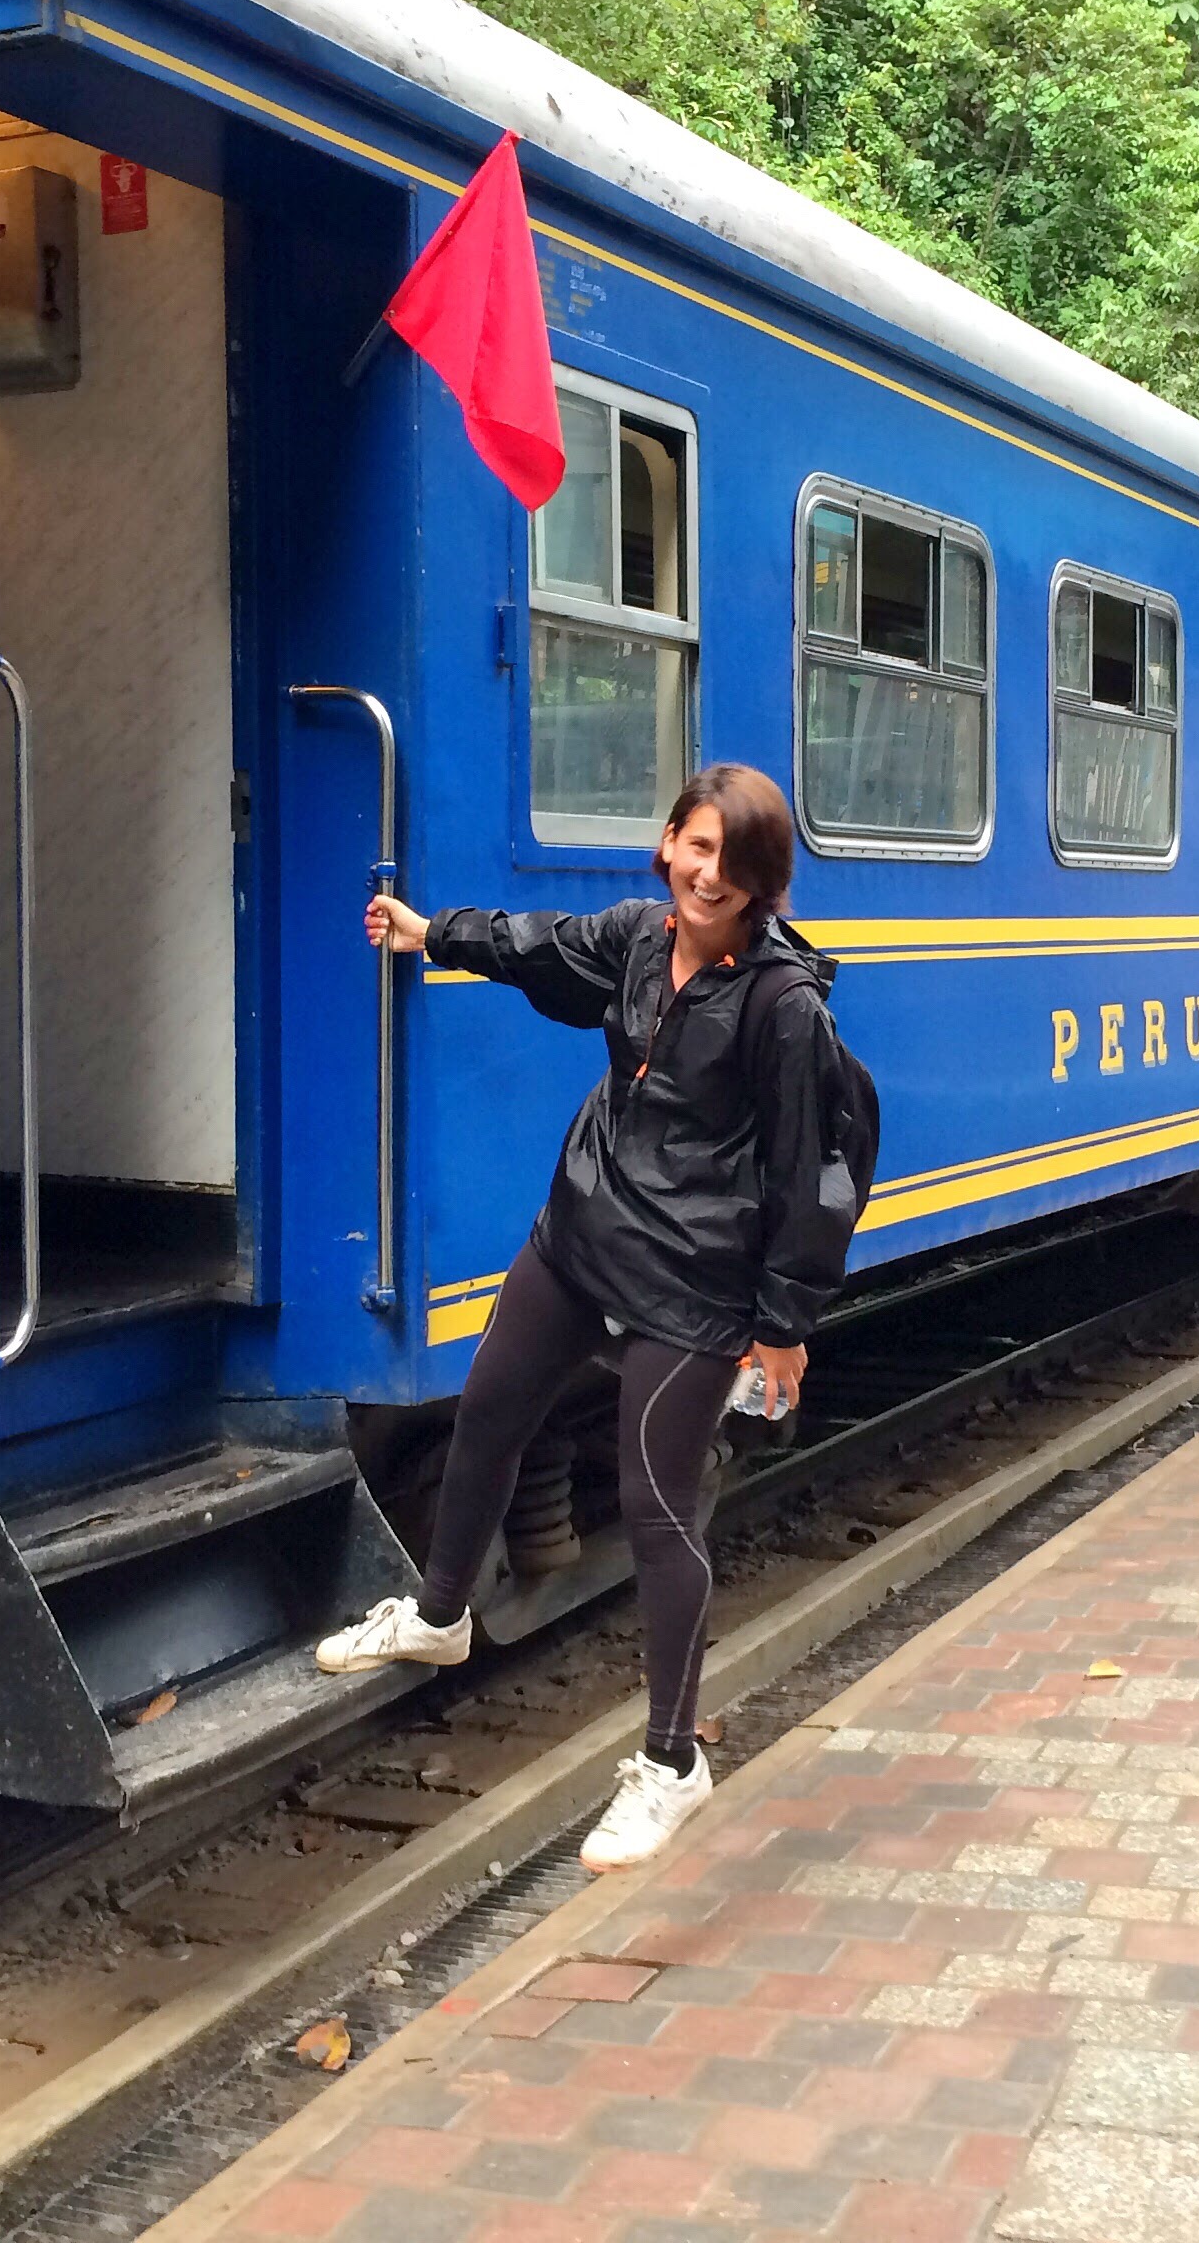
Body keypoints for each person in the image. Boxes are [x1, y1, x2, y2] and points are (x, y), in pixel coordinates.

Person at [311, 765, 856, 1873]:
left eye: (735, 861)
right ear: (669, 845)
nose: (709, 875)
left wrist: (784, 1324)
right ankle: (441, 1615)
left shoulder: (783, 1008)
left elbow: (811, 1177)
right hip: (585, 1229)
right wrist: (431, 934)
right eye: (696, 847)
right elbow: (537, 945)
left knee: (659, 1511)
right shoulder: (638, 940)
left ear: (764, 882)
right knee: (489, 1413)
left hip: (695, 1281)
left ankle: (672, 1764)